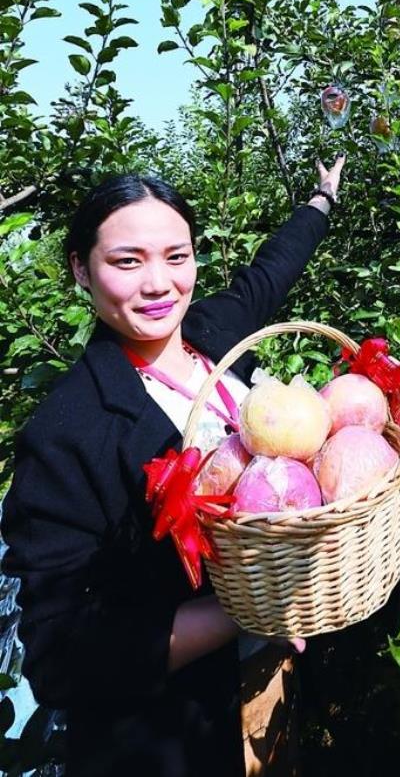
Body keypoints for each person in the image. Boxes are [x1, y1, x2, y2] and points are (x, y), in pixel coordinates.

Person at [1, 157, 344, 777]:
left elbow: (271, 272)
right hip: (172, 729)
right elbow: (59, 660)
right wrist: (246, 606)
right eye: (127, 261)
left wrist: (321, 201)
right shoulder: (66, 432)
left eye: (177, 256)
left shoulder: (211, 332)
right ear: (81, 268)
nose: (159, 283)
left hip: (271, 677)